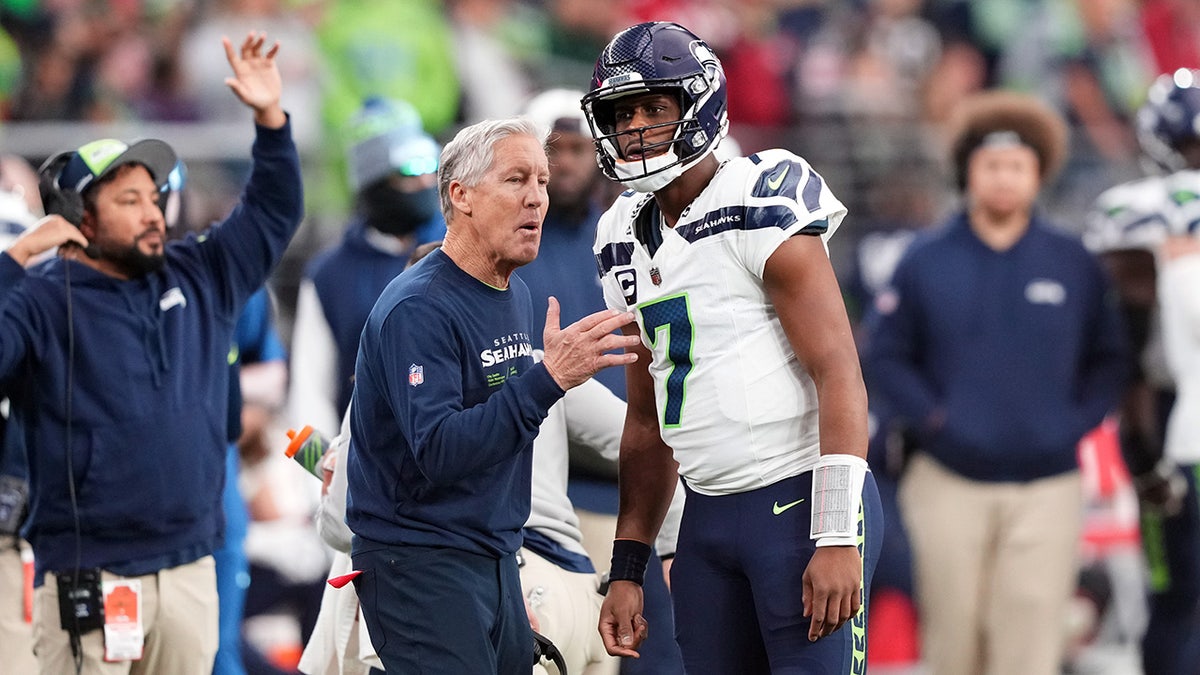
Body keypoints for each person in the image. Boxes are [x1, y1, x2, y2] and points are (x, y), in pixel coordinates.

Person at [584, 22, 882, 674]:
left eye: (655, 107)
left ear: (698, 107)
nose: (635, 127)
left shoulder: (759, 194)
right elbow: (646, 418)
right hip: (707, 517)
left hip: (800, 501)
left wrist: (836, 534)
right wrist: (628, 563)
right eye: (622, 112)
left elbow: (839, 371)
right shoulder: (616, 237)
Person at [0, 32, 301, 674]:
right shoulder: (39, 299)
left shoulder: (200, 272)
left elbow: (273, 211)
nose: (155, 212)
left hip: (193, 567)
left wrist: (271, 123)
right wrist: (14, 261)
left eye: (155, 196)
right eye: (129, 200)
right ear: (81, 218)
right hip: (92, 575)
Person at [344, 116, 640, 673]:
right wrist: (547, 380)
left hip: (498, 556)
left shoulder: (516, 293)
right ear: (461, 195)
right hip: (420, 561)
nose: (537, 200)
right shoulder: (419, 307)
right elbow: (440, 452)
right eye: (516, 180)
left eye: (544, 183)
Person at [865, 90, 1129, 675]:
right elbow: (886, 355)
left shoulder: (1073, 262)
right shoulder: (925, 259)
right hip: (945, 482)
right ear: (968, 172)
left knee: (1030, 645)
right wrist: (935, 419)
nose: (1005, 178)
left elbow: (1111, 358)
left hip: (1049, 486)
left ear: (1039, 174)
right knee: (954, 642)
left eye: (1019, 166)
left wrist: (1070, 423)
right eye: (993, 165)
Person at [1085, 67, 1200, 675]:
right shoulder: (1136, 214)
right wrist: (1142, 445)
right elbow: (1125, 342)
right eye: (1191, 147)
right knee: (1178, 595)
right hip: (1163, 411)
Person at [288, 96, 445, 437]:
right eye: (409, 168)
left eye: (430, 163)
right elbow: (306, 401)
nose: (425, 180)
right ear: (372, 182)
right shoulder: (328, 276)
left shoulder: (463, 249)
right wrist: (324, 482)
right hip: (367, 480)